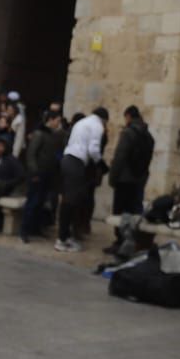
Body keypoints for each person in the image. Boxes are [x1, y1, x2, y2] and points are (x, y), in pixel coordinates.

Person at [56, 107, 107, 253]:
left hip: (67, 160)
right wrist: (101, 164)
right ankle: (62, 239)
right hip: (76, 162)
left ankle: (65, 236)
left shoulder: (81, 123)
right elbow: (93, 149)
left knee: (69, 200)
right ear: (104, 120)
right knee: (70, 202)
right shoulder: (97, 126)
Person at [20, 110, 66, 243]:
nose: (59, 123)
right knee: (32, 202)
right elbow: (31, 155)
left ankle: (36, 228)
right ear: (50, 120)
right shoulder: (39, 134)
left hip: (48, 175)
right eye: (57, 120)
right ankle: (24, 230)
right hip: (37, 175)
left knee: (41, 203)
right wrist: (34, 172)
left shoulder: (54, 135)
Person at [108, 105, 155, 216]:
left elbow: (120, 157)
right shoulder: (149, 136)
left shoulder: (127, 133)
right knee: (134, 214)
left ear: (128, 116)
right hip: (139, 180)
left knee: (119, 216)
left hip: (124, 180)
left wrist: (112, 178)